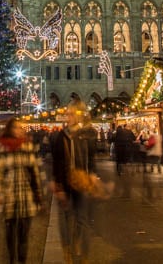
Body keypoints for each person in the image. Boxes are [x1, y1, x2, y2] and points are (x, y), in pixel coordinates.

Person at [0, 118, 45, 264]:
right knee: (10, 236)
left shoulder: (28, 148)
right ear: (10, 129)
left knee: (24, 236)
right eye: (16, 127)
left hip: (26, 198)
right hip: (9, 198)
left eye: (22, 128)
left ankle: (22, 261)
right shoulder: (2, 150)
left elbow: (36, 173)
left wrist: (39, 195)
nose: (20, 130)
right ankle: (12, 260)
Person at [52, 99, 98, 264]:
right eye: (67, 113)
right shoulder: (60, 136)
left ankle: (82, 251)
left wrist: (92, 174)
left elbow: (92, 158)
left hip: (81, 180)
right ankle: (67, 249)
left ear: (79, 115)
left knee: (81, 219)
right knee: (65, 218)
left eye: (71, 113)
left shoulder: (87, 134)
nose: (67, 116)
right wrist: (57, 184)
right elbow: (56, 162)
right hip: (64, 181)